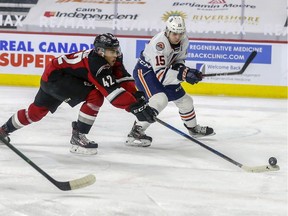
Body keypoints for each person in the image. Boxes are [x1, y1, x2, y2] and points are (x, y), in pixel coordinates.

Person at [0, 33, 156, 155]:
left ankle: (3, 130)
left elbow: (121, 77)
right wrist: (135, 107)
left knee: (36, 112)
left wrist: (136, 96)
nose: (115, 54)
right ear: (101, 51)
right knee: (95, 96)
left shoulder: (112, 58)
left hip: (54, 75)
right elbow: (112, 93)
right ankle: (78, 136)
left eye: (116, 50)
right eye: (111, 51)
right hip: (57, 79)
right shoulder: (97, 63)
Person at [126, 15, 215, 147]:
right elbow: (161, 75)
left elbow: (178, 61)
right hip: (146, 72)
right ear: (167, 31)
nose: (178, 37)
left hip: (164, 71)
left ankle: (193, 129)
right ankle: (136, 131)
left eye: (180, 33)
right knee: (160, 100)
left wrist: (186, 71)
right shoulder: (160, 44)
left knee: (186, 101)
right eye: (174, 33)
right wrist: (184, 75)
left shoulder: (184, 40)